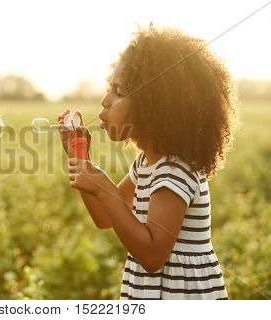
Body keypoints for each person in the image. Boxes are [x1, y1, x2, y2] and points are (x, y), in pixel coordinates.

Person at [58, 24, 238, 300]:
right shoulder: (147, 164)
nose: (105, 101)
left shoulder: (174, 172)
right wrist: (79, 156)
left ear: (157, 104)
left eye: (119, 92)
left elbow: (152, 255)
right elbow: (105, 217)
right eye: (110, 88)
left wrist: (104, 186)